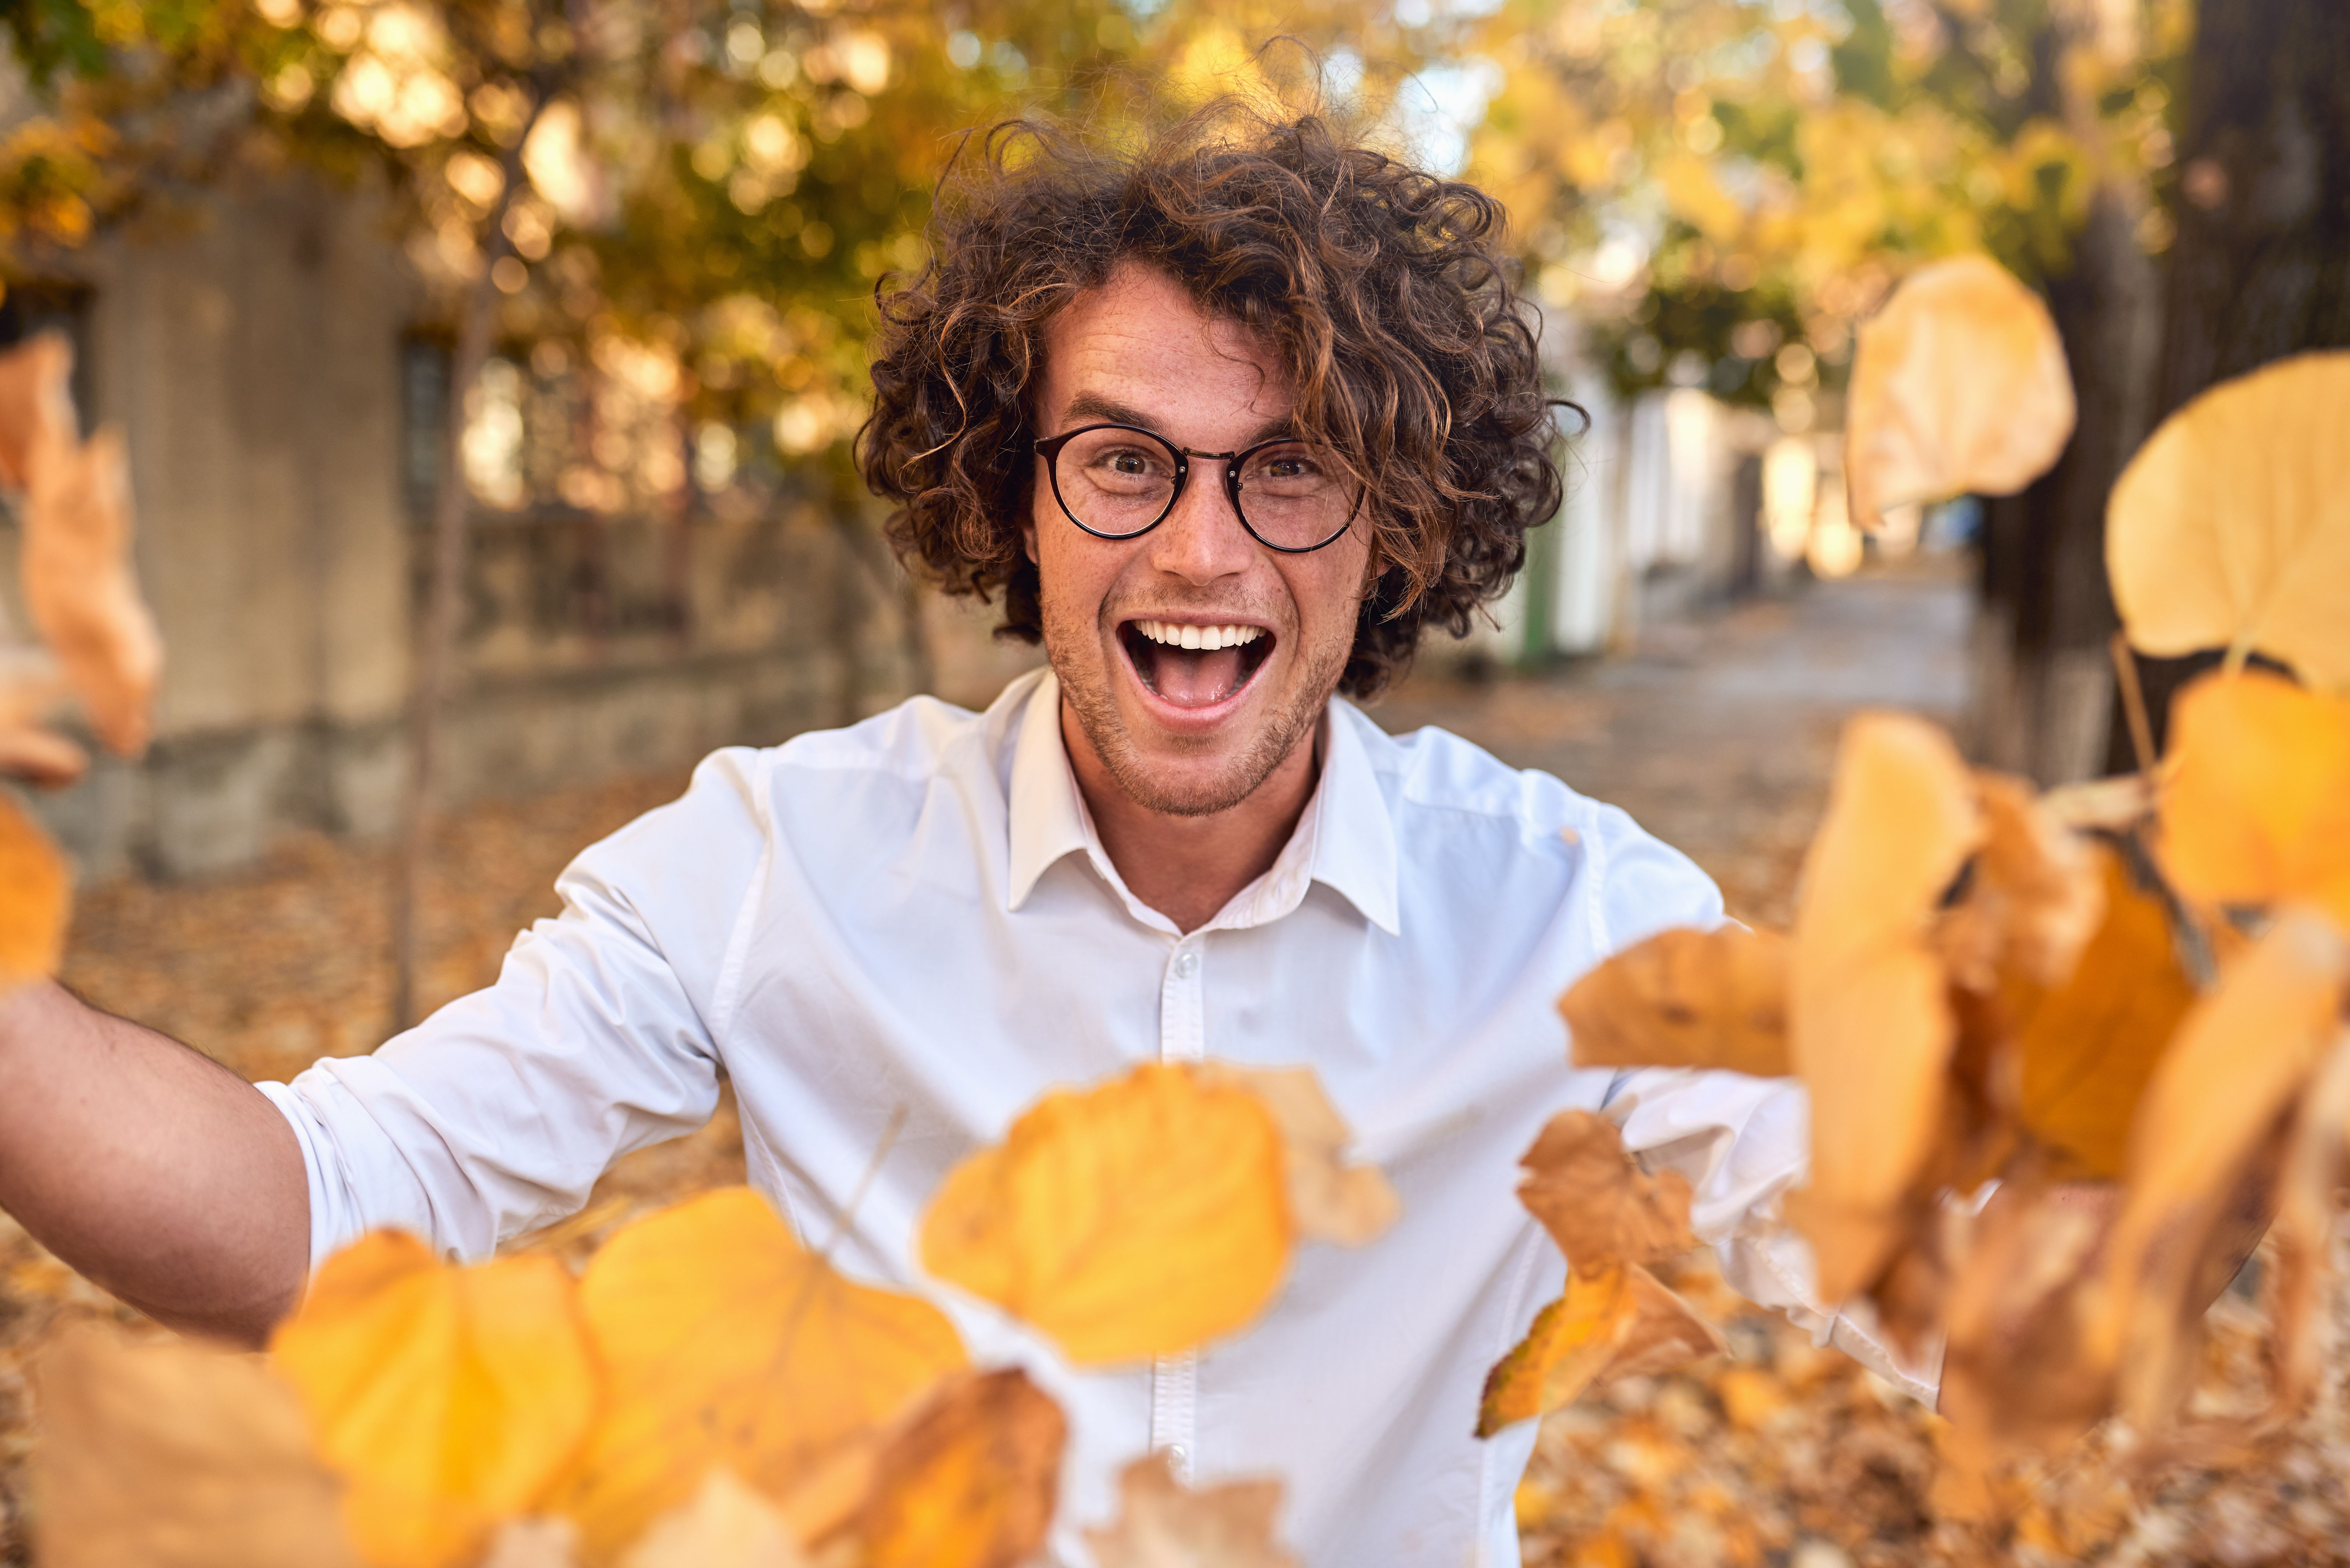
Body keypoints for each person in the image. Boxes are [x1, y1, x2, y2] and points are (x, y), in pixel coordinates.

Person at [0, 110, 1919, 1565]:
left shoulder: (1580, 921)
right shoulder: (781, 860)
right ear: (1014, 496)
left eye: (1292, 471)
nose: (1198, 543)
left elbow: (1905, 1239)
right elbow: (316, 1212)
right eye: (1122, 459)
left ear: (1400, 526)